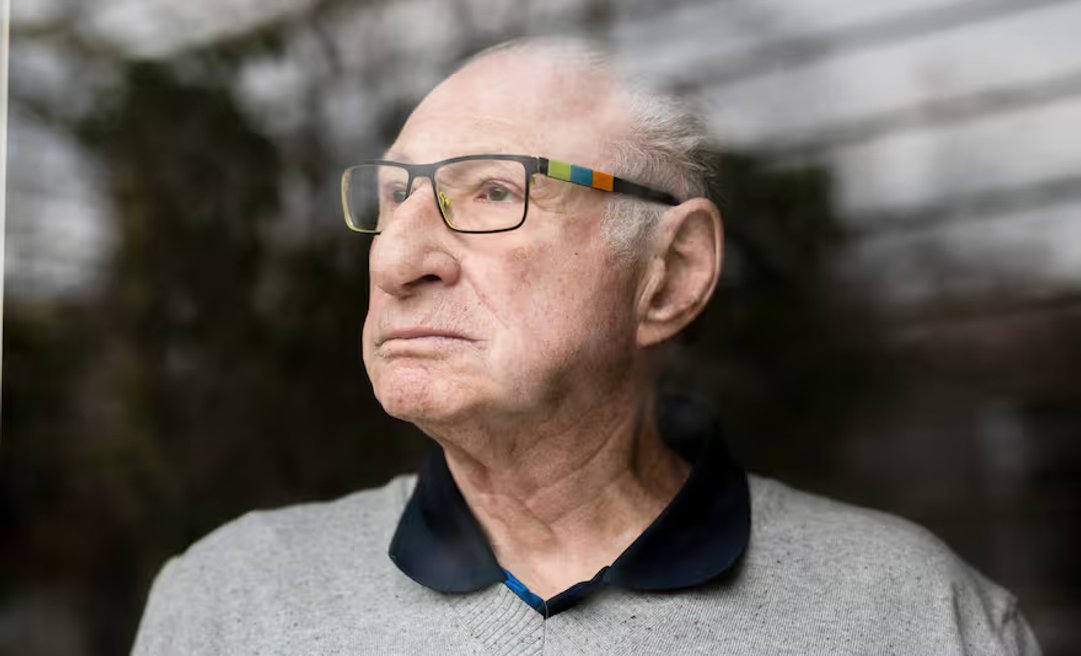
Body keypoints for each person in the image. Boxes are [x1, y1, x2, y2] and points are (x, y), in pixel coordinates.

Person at [132, 38, 1041, 655]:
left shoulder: (914, 616)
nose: (398, 259)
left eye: (492, 193)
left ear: (671, 274)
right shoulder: (227, 599)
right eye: (395, 197)